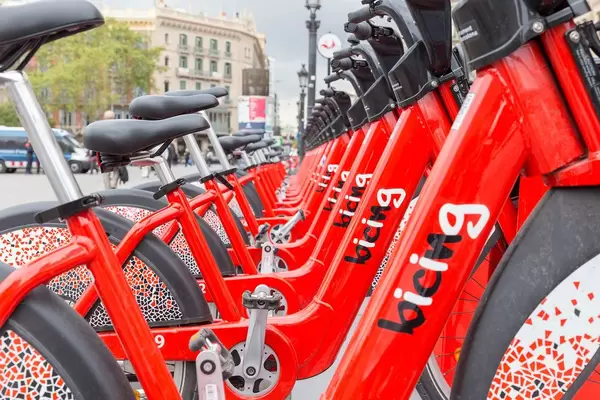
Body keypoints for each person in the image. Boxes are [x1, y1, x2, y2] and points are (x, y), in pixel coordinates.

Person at [101, 110, 119, 189]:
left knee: (106, 173)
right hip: (116, 153)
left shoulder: (101, 128)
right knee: (116, 170)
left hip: (105, 154)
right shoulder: (117, 127)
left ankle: (108, 189)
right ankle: (113, 184)